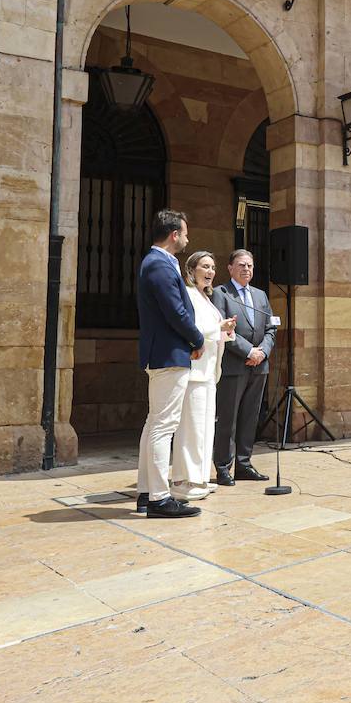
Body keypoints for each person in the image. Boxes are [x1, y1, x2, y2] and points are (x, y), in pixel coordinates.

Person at [135, 209, 204, 519]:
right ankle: (160, 498)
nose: (187, 238)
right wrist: (197, 339)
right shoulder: (159, 264)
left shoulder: (161, 263)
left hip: (165, 353)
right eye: (185, 233)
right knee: (163, 427)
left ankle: (147, 492)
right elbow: (176, 312)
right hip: (167, 354)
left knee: (155, 424)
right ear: (174, 234)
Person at [171, 252, 235, 501]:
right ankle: (183, 481)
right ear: (192, 269)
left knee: (206, 425)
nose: (210, 272)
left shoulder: (206, 298)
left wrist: (226, 329)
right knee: (191, 426)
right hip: (195, 370)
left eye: (212, 267)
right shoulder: (187, 294)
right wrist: (217, 328)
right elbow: (190, 328)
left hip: (209, 371)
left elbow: (212, 331)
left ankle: (200, 477)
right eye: (205, 267)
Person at [213, 249, 276, 485]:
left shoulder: (260, 295)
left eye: (249, 265)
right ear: (230, 268)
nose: (246, 269)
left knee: (250, 417)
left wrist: (263, 352)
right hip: (234, 365)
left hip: (259, 366)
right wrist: (249, 351)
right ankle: (222, 467)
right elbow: (223, 328)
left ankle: (244, 464)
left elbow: (271, 327)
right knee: (228, 418)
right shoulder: (221, 294)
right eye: (241, 265)